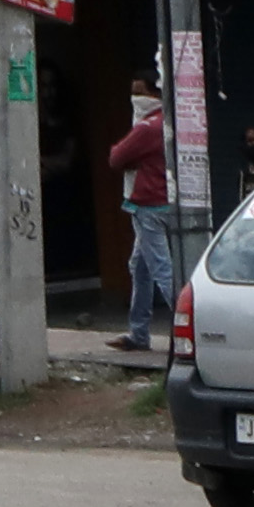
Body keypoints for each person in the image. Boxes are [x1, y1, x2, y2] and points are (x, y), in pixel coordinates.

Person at [108, 89, 178, 356]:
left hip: (147, 205)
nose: (134, 97)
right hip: (164, 201)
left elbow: (116, 157)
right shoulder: (169, 123)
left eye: (138, 90)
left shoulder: (147, 127)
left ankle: (195, 327)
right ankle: (138, 333)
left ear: (153, 92)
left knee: (162, 270)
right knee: (140, 267)